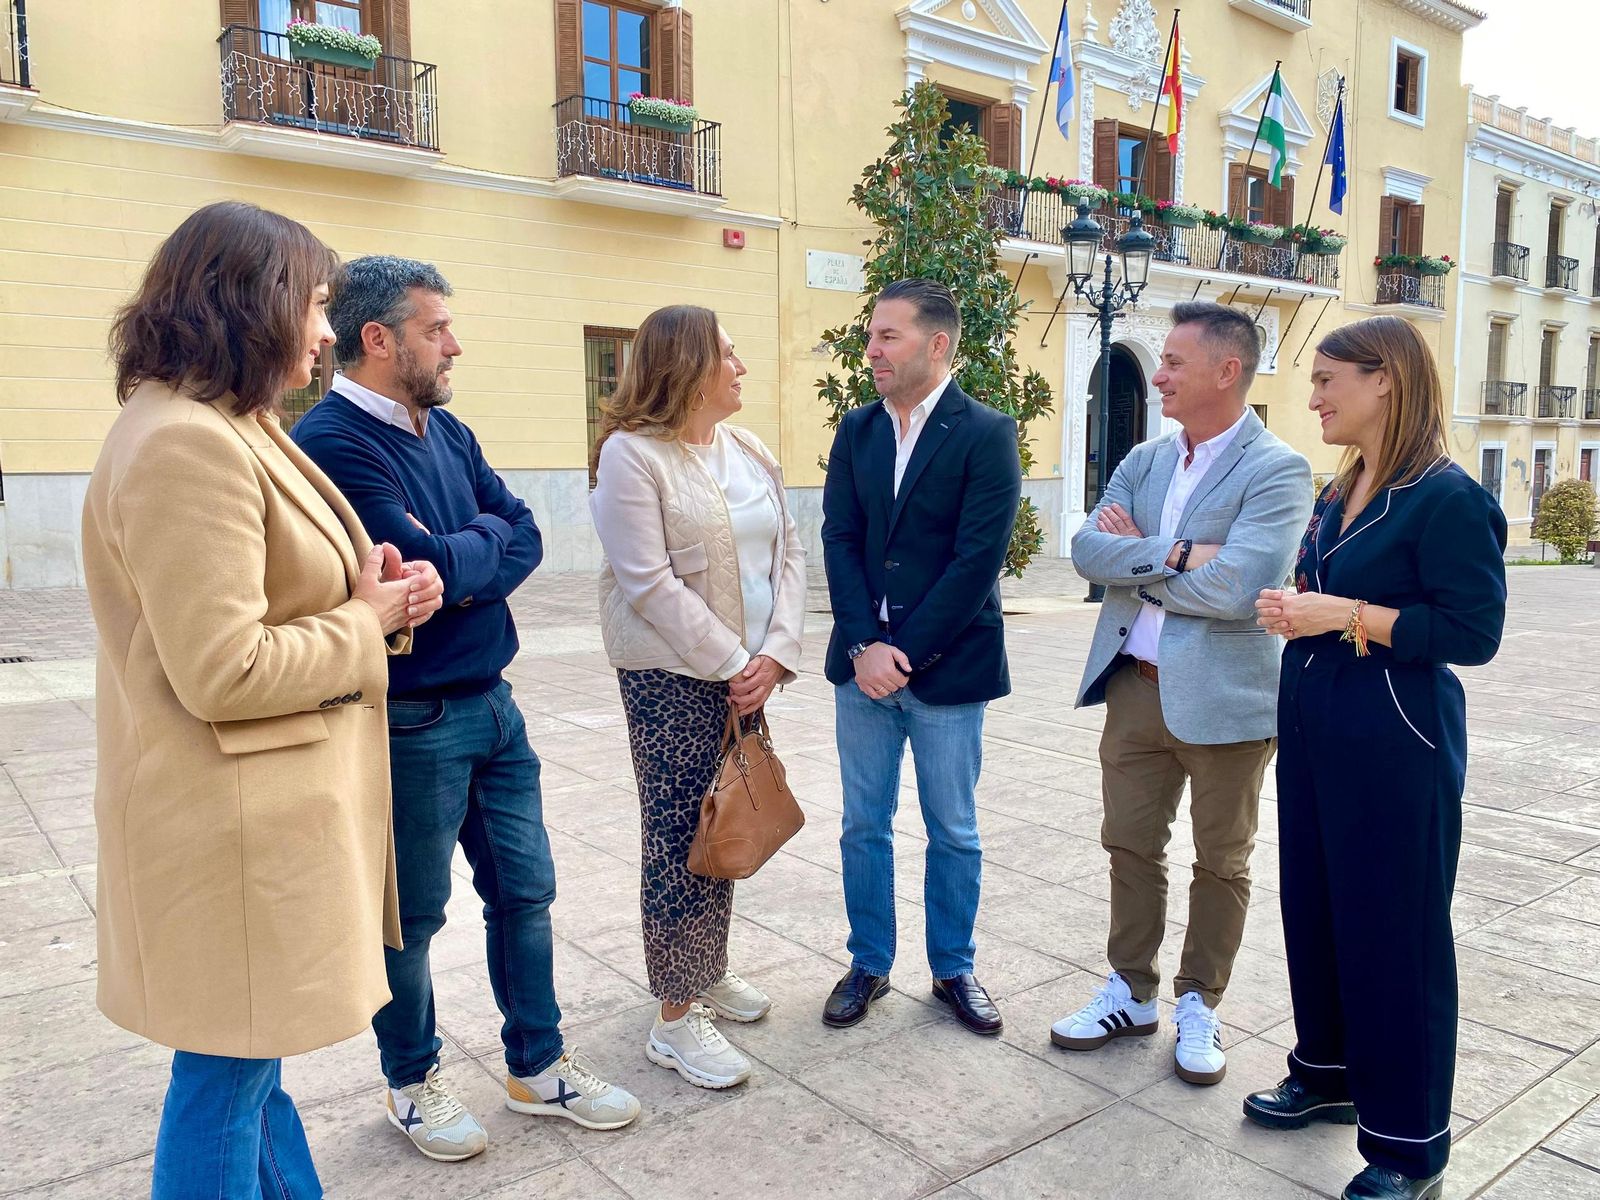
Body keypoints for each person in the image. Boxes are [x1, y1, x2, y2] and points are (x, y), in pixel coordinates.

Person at [83, 201, 444, 1198]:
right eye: (315, 305)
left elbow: (276, 594)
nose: (326, 334)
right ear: (252, 303)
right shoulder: (183, 445)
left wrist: (371, 592)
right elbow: (223, 669)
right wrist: (364, 623)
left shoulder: (229, 424)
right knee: (226, 1077)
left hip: (252, 828)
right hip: (228, 833)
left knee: (251, 1066)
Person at [293, 257, 638, 1161]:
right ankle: (412, 1080)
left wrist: (463, 562)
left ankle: (539, 1066)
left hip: (495, 705)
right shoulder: (334, 443)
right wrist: (462, 557)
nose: (454, 344)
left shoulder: (450, 433)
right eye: (436, 328)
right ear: (379, 340)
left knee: (526, 894)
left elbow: (524, 531)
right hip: (411, 723)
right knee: (414, 919)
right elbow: (406, 564)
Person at [1246, 316, 1507, 1200]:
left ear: (1384, 378)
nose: (1312, 397)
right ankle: (1325, 1073)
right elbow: (1334, 595)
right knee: (1316, 909)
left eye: (1327, 380)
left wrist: (1346, 616)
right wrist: (1300, 607)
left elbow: (1473, 633)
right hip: (1318, 728)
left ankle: (1406, 1145)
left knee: (1396, 936)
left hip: (1398, 741)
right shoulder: (1341, 486)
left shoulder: (1448, 499)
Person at [1056, 302, 1312, 1085]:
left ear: (1226, 371)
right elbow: (1085, 550)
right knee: (1128, 845)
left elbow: (1242, 587)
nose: (1157, 375)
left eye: (1172, 362)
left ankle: (1201, 1002)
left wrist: (1142, 564)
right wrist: (1177, 553)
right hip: (1135, 687)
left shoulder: (1279, 469)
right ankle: (1130, 991)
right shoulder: (1146, 459)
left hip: (1228, 701)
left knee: (1222, 860)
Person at [589, 304, 806, 1089]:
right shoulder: (632, 457)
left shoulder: (747, 449)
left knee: (727, 819)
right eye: (728, 353)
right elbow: (647, 581)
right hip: (671, 677)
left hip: (747, 674)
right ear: (685, 366)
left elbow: (790, 551)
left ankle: (707, 971)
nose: (741, 366)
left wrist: (776, 654)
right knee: (680, 836)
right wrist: (731, 660)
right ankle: (675, 1018)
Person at [819, 277, 1022, 1036]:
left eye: (887, 337)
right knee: (861, 825)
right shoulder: (858, 431)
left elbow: (976, 562)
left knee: (954, 829)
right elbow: (838, 538)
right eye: (872, 336)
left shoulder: (986, 433)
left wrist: (901, 653)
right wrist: (864, 646)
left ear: (936, 345)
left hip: (947, 672)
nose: (870, 350)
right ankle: (869, 960)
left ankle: (953, 967)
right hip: (861, 671)